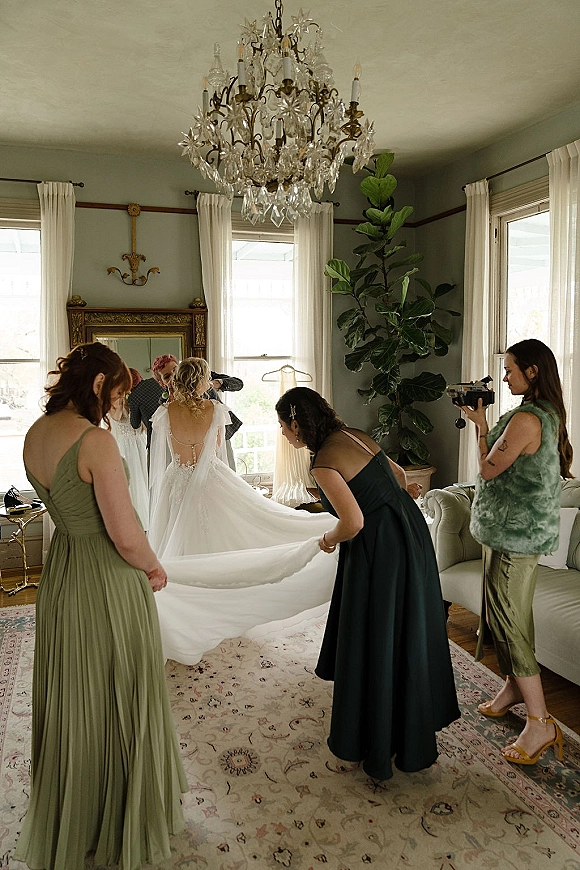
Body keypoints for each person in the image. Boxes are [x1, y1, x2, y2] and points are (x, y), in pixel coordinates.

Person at [15, 342, 187, 870]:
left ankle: (78, 804)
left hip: (64, 572)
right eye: (116, 393)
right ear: (96, 386)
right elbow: (125, 535)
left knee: (76, 685)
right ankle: (115, 812)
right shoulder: (95, 443)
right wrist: (154, 565)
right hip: (106, 577)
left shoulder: (33, 436)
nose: (118, 404)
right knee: (120, 685)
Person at [275, 387, 460, 781]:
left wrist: (326, 541)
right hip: (410, 533)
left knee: (377, 635)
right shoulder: (356, 434)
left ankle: (372, 740)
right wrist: (399, 495)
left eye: (284, 428)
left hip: (380, 548)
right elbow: (397, 474)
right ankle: (402, 731)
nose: (286, 437)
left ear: (296, 423)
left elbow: (353, 522)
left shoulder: (323, 462)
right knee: (403, 628)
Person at [146, 358, 339, 664]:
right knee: (227, 541)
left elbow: (162, 455)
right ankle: (219, 605)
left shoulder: (164, 412)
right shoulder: (214, 410)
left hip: (176, 482)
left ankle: (186, 609)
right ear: (201, 381)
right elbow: (219, 452)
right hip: (211, 479)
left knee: (178, 543)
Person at [462, 338, 573, 766]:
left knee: (511, 620)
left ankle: (542, 722)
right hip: (506, 531)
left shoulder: (528, 419)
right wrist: (484, 423)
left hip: (516, 536)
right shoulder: (537, 411)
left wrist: (480, 427)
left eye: (509, 369)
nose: (504, 376)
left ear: (532, 371)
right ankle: (512, 686)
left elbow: (488, 468)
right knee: (501, 613)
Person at [105, 367, 149, 529]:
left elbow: (143, 426)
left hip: (132, 445)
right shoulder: (119, 401)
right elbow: (117, 419)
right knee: (133, 482)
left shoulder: (133, 400)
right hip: (129, 446)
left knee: (138, 483)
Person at [127, 353, 178, 447]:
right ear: (161, 383)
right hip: (158, 447)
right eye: (167, 376)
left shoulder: (199, 393)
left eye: (176, 371)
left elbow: (135, 424)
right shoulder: (163, 402)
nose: (174, 377)